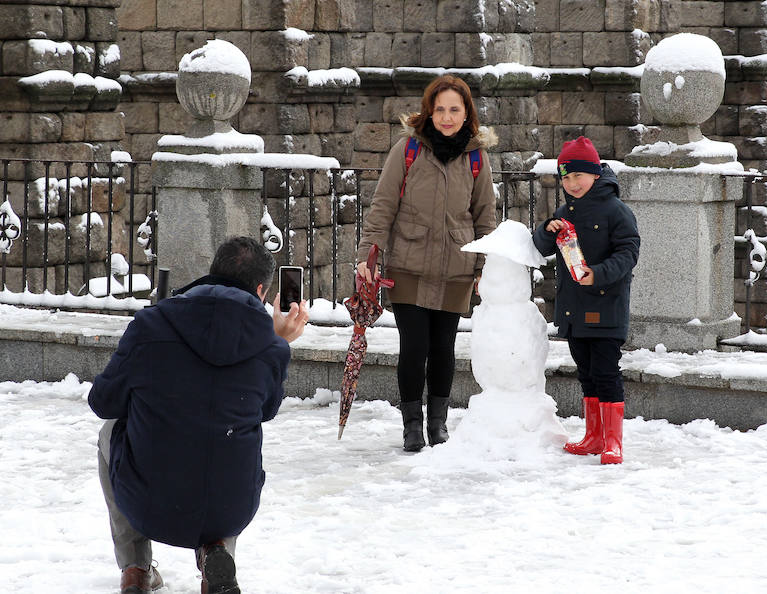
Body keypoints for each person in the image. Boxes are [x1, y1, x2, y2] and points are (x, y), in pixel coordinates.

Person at [89, 236, 308, 594]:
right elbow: (265, 410)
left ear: (213, 273)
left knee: (109, 431)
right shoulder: (269, 345)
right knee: (234, 430)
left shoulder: (151, 324)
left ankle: (135, 567)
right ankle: (215, 552)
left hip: (147, 503)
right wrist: (279, 342)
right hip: (230, 508)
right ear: (260, 290)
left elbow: (103, 402)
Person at [356, 74, 497, 452]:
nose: (448, 117)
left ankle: (438, 423)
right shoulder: (408, 150)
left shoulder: (476, 157)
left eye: (455, 109)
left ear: (467, 113)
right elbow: (384, 205)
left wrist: (486, 265)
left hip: (456, 265)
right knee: (414, 347)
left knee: (443, 348)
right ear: (428, 111)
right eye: (441, 109)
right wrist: (368, 254)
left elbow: (485, 216)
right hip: (409, 263)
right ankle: (412, 425)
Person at [532, 137, 640, 463]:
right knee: (587, 373)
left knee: (606, 373)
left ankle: (613, 442)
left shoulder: (617, 211)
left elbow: (628, 252)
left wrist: (599, 273)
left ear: (595, 174)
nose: (572, 183)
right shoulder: (566, 211)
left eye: (578, 176)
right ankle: (594, 436)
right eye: (565, 178)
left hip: (605, 308)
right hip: (574, 309)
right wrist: (547, 229)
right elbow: (542, 246)